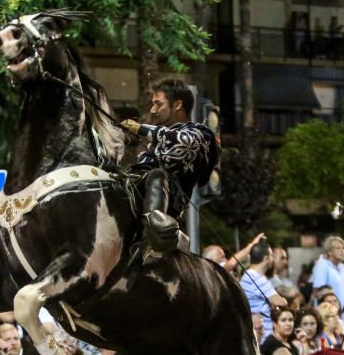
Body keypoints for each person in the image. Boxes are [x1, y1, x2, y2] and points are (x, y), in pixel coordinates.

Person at [120, 78, 220, 254]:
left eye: (158, 104)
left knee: (157, 175)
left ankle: (152, 239)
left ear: (177, 105)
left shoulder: (201, 134)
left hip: (168, 208)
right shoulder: (157, 143)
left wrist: (140, 128)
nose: (153, 110)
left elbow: (184, 143)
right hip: (131, 193)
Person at [239, 239, 287, 338]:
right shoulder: (256, 277)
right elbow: (280, 302)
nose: (273, 260)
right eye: (271, 256)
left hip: (261, 333)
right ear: (266, 258)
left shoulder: (250, 275)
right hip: (262, 336)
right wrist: (283, 300)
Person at [311, 236, 344, 314]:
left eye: (343, 248)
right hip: (329, 313)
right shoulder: (322, 265)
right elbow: (319, 292)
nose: (342, 251)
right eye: (338, 248)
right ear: (329, 251)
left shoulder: (343, 267)